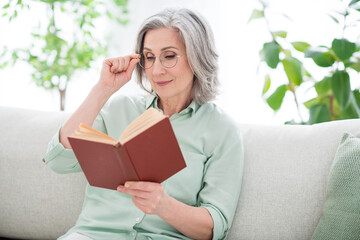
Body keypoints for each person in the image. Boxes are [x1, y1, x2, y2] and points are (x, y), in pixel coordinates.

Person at [43, 8, 244, 240]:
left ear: (198, 57)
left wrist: (165, 206)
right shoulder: (119, 109)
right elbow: (58, 161)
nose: (156, 70)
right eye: (149, 57)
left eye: (169, 56)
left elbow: (215, 227)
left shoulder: (221, 130)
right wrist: (102, 90)